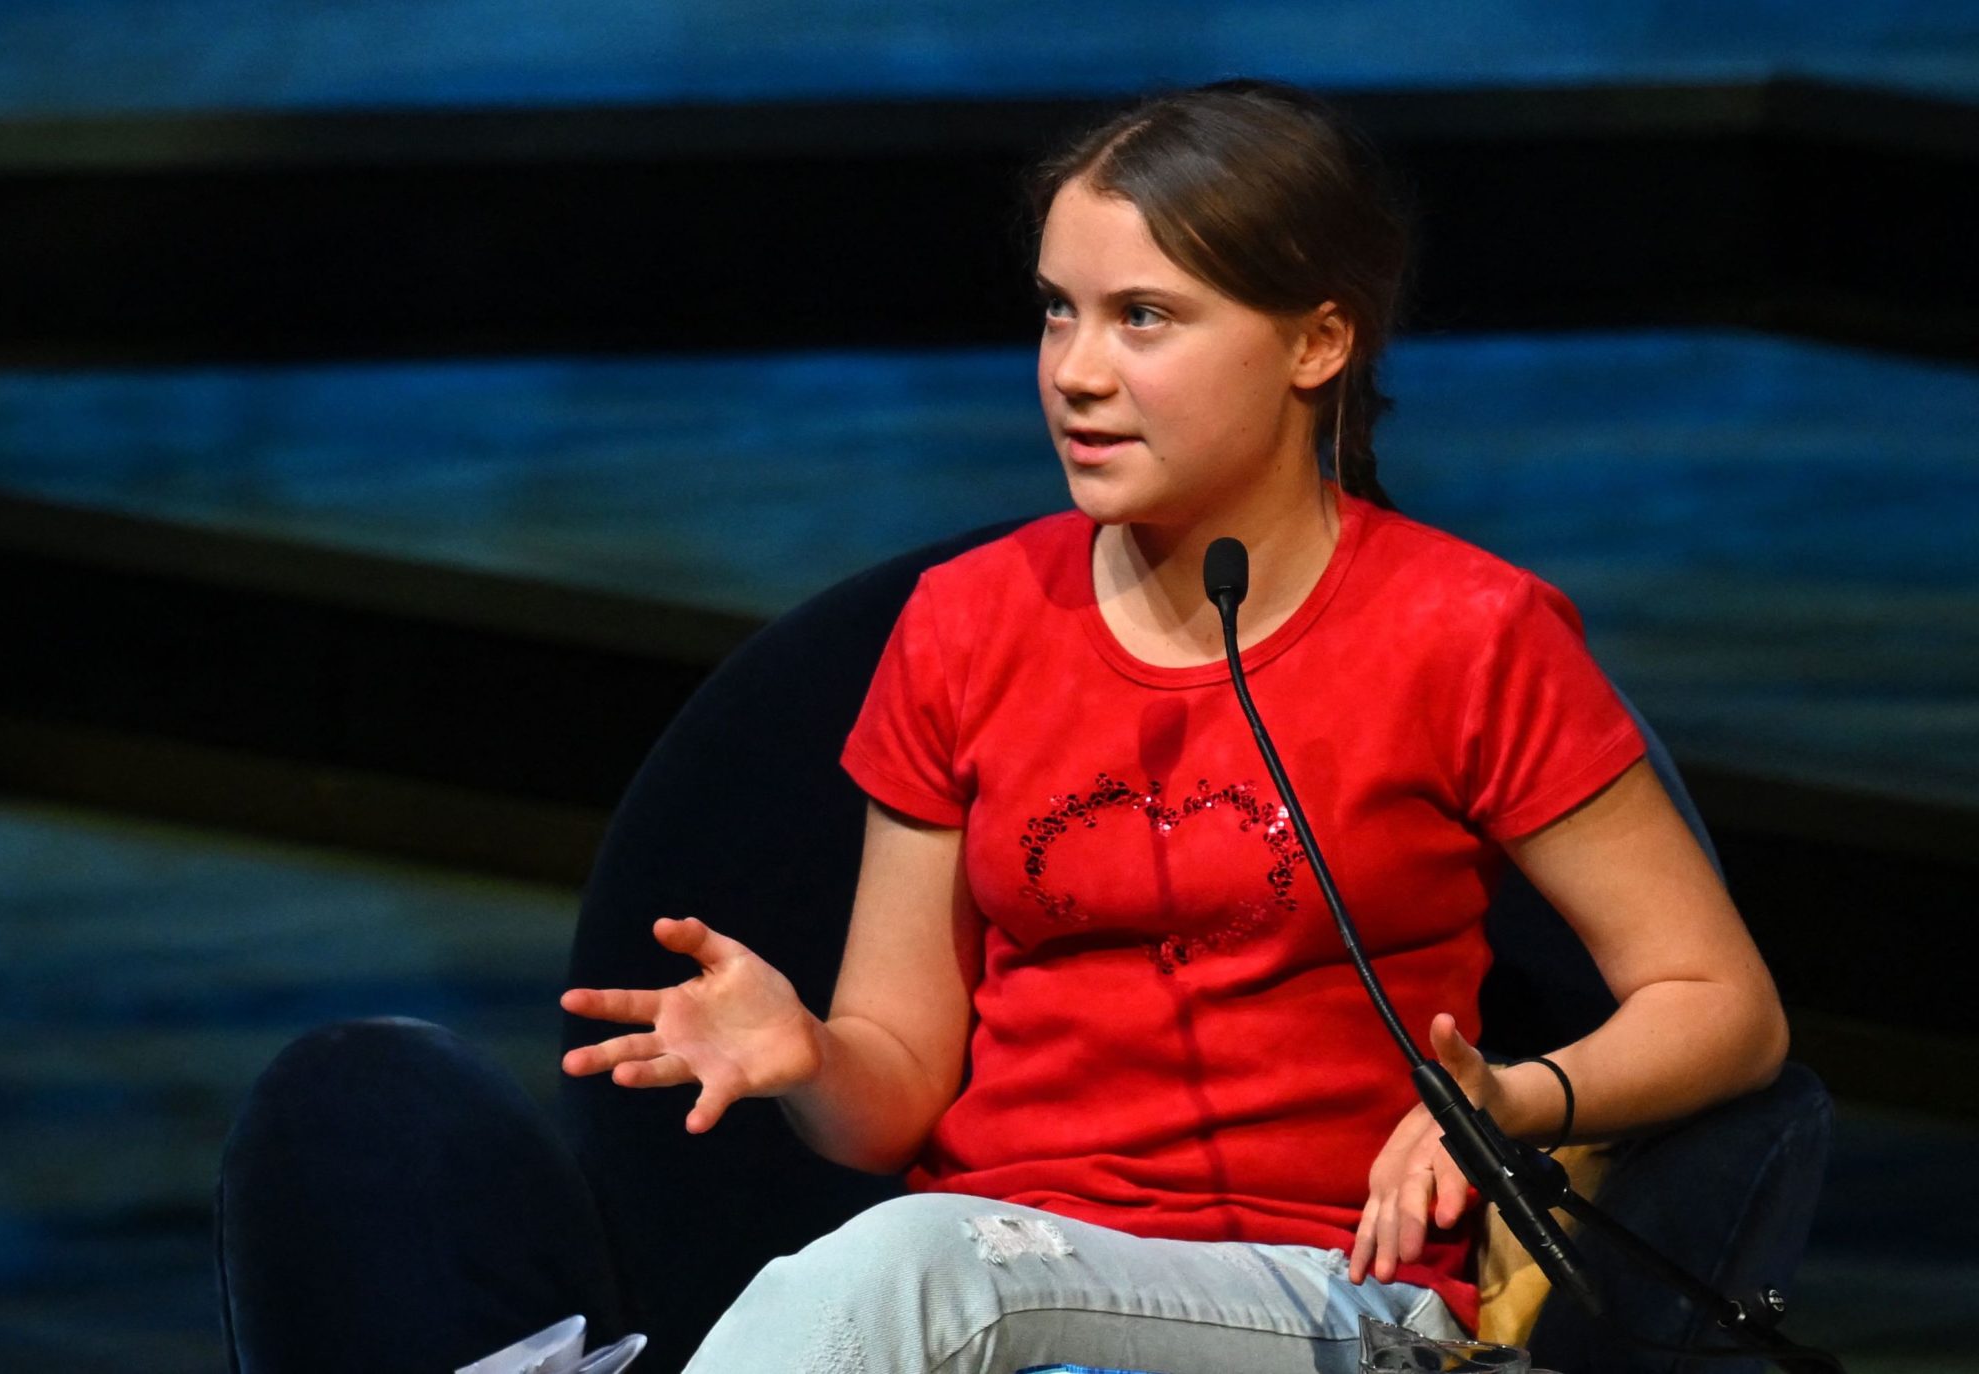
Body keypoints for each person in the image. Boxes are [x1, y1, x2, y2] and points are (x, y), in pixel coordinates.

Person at [558, 79, 1789, 1373]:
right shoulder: (964, 622)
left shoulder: (1469, 630)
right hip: (1005, 1260)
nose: (1077, 372)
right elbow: (897, 1089)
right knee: (928, 1262)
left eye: (1144, 318)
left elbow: (1724, 1004)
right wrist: (807, 1054)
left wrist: (1509, 1101)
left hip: (1329, 1292)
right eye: (1057, 311)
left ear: (1317, 344)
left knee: (909, 1266)